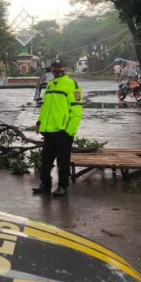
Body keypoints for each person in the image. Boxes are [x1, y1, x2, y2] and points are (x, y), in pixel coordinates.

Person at [32, 55, 83, 197]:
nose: (57, 71)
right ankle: (45, 184)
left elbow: (77, 109)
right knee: (46, 160)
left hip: (63, 131)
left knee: (63, 161)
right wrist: (39, 122)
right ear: (52, 71)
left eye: (60, 68)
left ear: (65, 69)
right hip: (48, 131)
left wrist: (70, 130)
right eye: (54, 69)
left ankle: (62, 186)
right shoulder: (50, 85)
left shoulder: (72, 85)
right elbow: (45, 108)